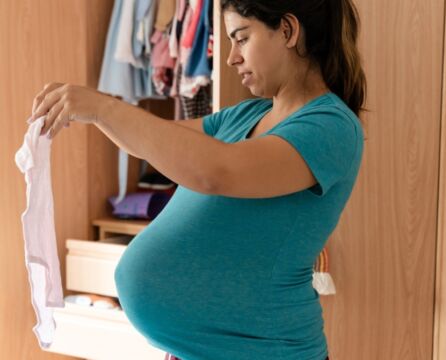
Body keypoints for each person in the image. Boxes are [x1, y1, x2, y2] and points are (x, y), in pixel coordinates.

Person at [29, 0, 367, 359]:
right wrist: (93, 113)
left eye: (241, 38)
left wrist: (104, 107)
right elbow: (157, 142)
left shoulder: (330, 126)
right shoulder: (247, 115)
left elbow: (217, 172)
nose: (231, 58)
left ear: (288, 30)